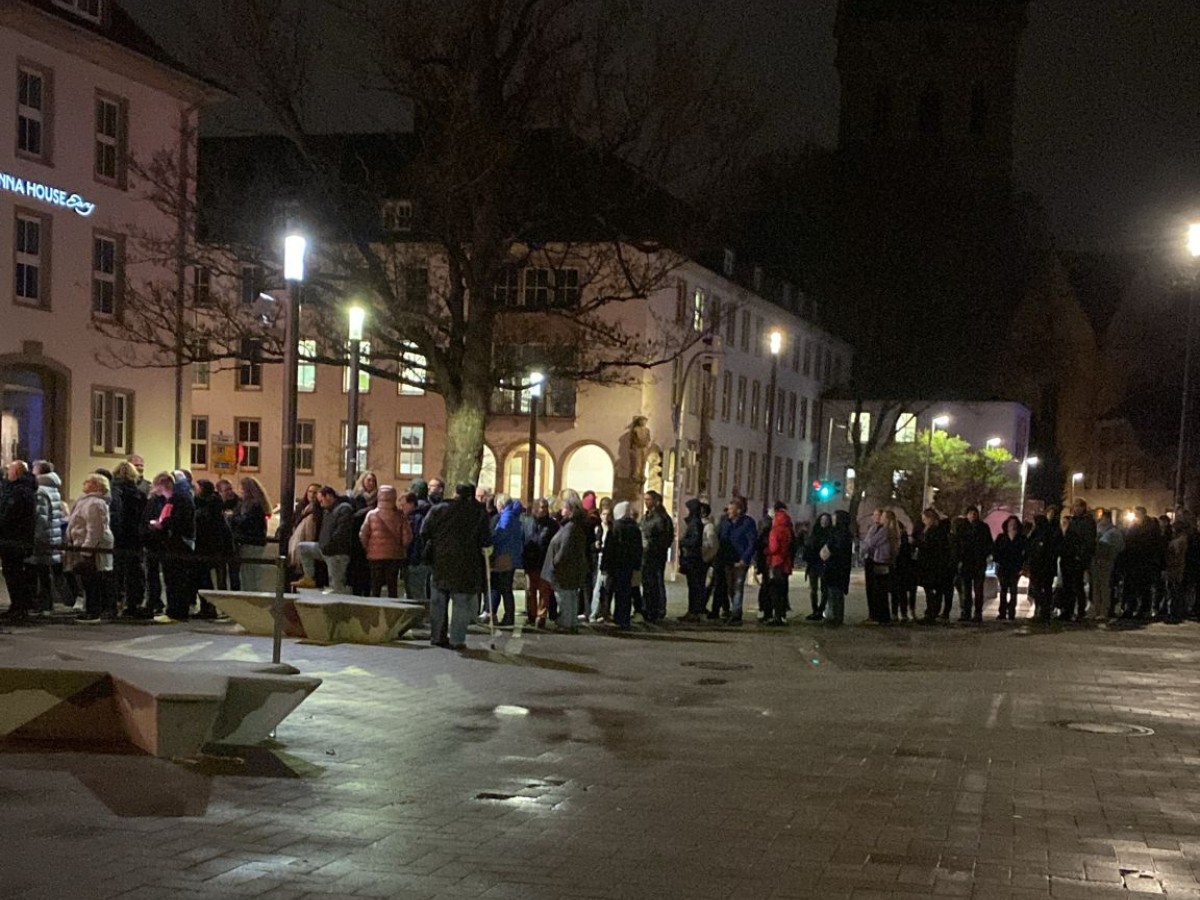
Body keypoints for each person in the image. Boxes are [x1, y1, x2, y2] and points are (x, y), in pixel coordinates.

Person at [422, 483, 490, 649]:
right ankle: (457, 639)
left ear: (455, 493)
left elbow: (424, 531)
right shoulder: (478, 513)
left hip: (441, 561)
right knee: (461, 603)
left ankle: (437, 636)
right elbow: (485, 540)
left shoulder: (438, 509)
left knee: (438, 600)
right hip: (466, 564)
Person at [147, 471, 196, 623]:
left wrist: (162, 525)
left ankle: (176, 611)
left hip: (178, 543)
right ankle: (175, 610)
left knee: (176, 579)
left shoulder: (178, 500)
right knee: (173, 579)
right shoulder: (176, 499)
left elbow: (177, 520)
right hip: (175, 542)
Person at [67, 473, 117, 623]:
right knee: (88, 580)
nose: (84, 483)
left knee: (94, 580)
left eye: (88, 481)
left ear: (96, 485)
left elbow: (95, 528)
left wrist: (87, 549)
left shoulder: (95, 503)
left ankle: (94, 612)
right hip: (83, 544)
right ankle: (91, 609)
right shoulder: (86, 501)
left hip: (93, 548)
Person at [543, 491, 590, 631]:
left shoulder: (570, 528)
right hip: (570, 568)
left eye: (563, 507)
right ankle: (571, 622)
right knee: (570, 596)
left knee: (564, 597)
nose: (561, 510)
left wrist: (555, 563)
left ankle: (566, 623)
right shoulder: (573, 526)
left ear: (570, 510)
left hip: (564, 570)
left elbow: (564, 551)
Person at [0, 461, 38, 622]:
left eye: (10, 470)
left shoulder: (20, 492)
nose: (7, 472)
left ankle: (20, 607)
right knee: (12, 573)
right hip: (15, 538)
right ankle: (17, 606)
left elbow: (10, 515)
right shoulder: (19, 490)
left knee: (15, 574)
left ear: (17, 473)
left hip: (15, 538)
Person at [358, 484, 411, 598]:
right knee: (392, 585)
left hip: (374, 556)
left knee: (375, 585)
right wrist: (401, 548)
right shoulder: (400, 516)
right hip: (394, 556)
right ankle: (392, 610)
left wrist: (369, 548)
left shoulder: (371, 515)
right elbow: (407, 537)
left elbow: (363, 534)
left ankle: (375, 609)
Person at [298, 487, 354, 593]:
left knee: (336, 585)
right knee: (303, 548)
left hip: (337, 552)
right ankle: (308, 577)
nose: (321, 504)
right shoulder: (328, 511)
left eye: (321, 501)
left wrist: (328, 546)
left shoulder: (344, 509)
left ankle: (339, 600)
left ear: (328, 496)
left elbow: (341, 532)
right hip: (326, 548)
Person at [109, 461, 146, 616]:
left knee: (116, 570)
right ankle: (133, 603)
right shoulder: (139, 493)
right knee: (134, 571)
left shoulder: (113, 492)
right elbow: (143, 516)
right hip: (134, 536)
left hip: (118, 535)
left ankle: (116, 601)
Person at [194, 479, 235, 616]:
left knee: (208, 580)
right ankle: (214, 608)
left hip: (209, 548)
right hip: (214, 547)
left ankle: (210, 608)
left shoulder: (209, 507)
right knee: (214, 580)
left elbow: (207, 527)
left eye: (198, 488)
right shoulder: (214, 504)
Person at [29, 460, 65, 614]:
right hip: (52, 535)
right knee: (45, 573)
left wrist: (36, 538)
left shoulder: (40, 491)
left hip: (42, 538)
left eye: (34, 469)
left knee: (40, 573)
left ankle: (43, 605)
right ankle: (46, 604)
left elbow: (41, 518)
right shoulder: (53, 488)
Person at [603, 501, 643, 629]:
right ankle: (624, 618)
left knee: (613, 591)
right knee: (626, 592)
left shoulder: (615, 527)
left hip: (616, 564)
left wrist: (604, 566)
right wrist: (637, 565)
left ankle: (615, 616)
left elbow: (609, 548)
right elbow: (638, 549)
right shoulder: (635, 528)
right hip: (629, 566)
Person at [720, 497, 758, 625]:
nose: (729, 512)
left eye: (731, 509)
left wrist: (744, 558)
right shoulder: (726, 523)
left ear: (739, 510)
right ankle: (734, 609)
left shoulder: (747, 523)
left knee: (738, 586)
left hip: (741, 560)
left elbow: (751, 543)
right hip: (728, 559)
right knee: (730, 587)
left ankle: (736, 614)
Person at [231, 476, 272, 593]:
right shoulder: (257, 504)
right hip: (255, 542)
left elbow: (244, 522)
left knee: (248, 573)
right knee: (253, 573)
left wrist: (233, 518)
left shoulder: (252, 506)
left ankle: (250, 595)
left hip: (250, 542)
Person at [522, 498, 558, 627]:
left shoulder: (552, 525)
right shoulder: (527, 523)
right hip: (530, 562)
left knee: (544, 591)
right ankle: (531, 615)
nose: (542, 510)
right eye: (540, 507)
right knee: (530, 590)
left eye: (545, 507)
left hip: (545, 562)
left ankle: (541, 616)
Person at [639, 490, 674, 623]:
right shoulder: (647, 516)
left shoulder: (662, 518)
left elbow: (666, 538)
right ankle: (647, 607)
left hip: (656, 555)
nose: (646, 502)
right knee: (647, 582)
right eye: (645, 499)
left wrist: (653, 545)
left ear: (656, 501)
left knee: (656, 581)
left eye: (648, 499)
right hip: (646, 555)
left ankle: (657, 609)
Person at [489, 495, 524, 625]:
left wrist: (491, 541)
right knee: (504, 588)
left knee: (503, 587)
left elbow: (500, 534)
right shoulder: (514, 516)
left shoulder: (506, 516)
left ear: (501, 505)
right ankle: (502, 615)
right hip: (510, 555)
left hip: (504, 556)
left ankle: (507, 616)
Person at [1060, 498, 1097, 620]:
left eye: (1077, 506)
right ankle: (1067, 610)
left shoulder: (1087, 522)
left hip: (1077, 558)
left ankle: (1080, 612)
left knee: (1077, 585)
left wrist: (1080, 556)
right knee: (1067, 586)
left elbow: (1088, 541)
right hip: (1067, 556)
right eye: (1074, 507)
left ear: (1082, 508)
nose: (1075, 509)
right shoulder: (1072, 521)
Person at [861, 508, 896, 624]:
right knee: (879, 590)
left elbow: (872, 542)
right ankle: (879, 616)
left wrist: (866, 546)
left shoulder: (885, 530)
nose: (878, 518)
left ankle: (881, 617)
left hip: (881, 561)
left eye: (881, 516)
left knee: (879, 590)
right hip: (880, 560)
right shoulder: (880, 529)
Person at [914, 509, 951, 621]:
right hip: (926, 563)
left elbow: (931, 547)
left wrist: (918, 544)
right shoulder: (926, 529)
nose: (923, 520)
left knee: (933, 589)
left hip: (932, 564)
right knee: (929, 589)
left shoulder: (936, 531)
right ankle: (931, 611)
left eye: (925, 518)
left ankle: (932, 612)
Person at [959, 506, 993, 623]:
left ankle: (978, 613)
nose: (973, 515)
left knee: (978, 589)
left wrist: (984, 554)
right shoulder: (962, 527)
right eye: (970, 513)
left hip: (979, 562)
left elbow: (989, 543)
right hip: (966, 562)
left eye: (975, 513)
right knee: (966, 590)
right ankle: (966, 612)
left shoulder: (983, 527)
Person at [762, 502, 795, 626]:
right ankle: (781, 615)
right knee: (783, 590)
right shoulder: (788, 529)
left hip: (776, 562)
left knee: (774, 590)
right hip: (785, 563)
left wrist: (767, 551)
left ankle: (776, 616)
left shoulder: (775, 530)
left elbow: (774, 548)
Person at [821, 510, 854, 625]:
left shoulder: (841, 534)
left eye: (835, 518)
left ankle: (836, 616)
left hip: (837, 567)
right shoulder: (838, 532)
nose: (833, 520)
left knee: (836, 592)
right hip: (835, 566)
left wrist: (828, 551)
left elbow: (836, 549)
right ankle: (833, 615)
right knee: (833, 592)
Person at [349, 470, 379, 596]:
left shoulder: (379, 499)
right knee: (357, 567)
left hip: (373, 537)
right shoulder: (357, 498)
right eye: (368, 480)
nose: (371, 483)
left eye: (373, 481)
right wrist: (369, 510)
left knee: (368, 569)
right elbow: (354, 517)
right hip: (357, 537)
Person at [1026, 513, 1060, 621]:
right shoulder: (1036, 533)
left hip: (1043, 567)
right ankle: (1041, 610)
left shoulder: (1046, 534)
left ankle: (1044, 610)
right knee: (1040, 589)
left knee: (1041, 589)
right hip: (1039, 567)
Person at [678, 498, 707, 622]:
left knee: (694, 586)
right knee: (694, 586)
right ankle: (693, 611)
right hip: (692, 558)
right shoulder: (695, 522)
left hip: (693, 559)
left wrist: (683, 542)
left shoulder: (695, 523)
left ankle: (694, 612)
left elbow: (695, 540)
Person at [992, 515, 1027, 620]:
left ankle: (1012, 611)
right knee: (1003, 590)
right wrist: (998, 560)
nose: (1012, 526)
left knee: (1013, 590)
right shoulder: (1001, 537)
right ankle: (1002, 612)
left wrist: (1023, 566)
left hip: (1015, 568)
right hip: (1003, 567)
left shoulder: (1022, 538)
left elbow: (1025, 553)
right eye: (1010, 524)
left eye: (1014, 524)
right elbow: (995, 550)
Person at [1092, 508, 1124, 620]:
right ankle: (1096, 611)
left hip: (1107, 562)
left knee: (1104, 587)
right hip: (1097, 561)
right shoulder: (1098, 529)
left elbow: (1119, 547)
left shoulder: (1113, 532)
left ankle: (1103, 611)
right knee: (1096, 587)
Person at [405, 480, 433, 599]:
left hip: (413, 558)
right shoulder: (433, 510)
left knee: (414, 593)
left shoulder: (412, 514)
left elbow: (410, 537)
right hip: (428, 558)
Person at [804, 512, 832, 621]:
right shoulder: (815, 532)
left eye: (826, 520)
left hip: (824, 564)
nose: (824, 522)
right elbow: (810, 546)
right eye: (822, 520)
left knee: (824, 589)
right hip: (813, 564)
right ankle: (815, 610)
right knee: (813, 589)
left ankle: (821, 610)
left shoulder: (830, 534)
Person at [888, 511, 915, 622]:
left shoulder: (900, 540)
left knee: (898, 591)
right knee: (900, 591)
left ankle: (898, 613)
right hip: (902, 567)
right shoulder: (904, 540)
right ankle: (901, 613)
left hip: (899, 567)